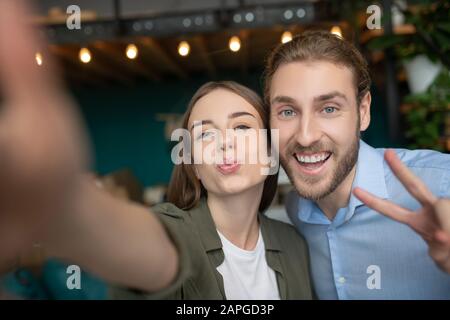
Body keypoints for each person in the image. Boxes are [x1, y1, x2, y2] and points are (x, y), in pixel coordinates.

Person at [264, 30, 450, 299]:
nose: (306, 136)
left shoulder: (441, 184)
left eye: (329, 108)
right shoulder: (296, 209)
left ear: (363, 112)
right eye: (288, 112)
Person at [113, 81, 314, 300]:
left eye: (241, 127)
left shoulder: (295, 244)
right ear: (195, 167)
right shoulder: (169, 234)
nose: (224, 142)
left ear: (269, 152)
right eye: (205, 134)